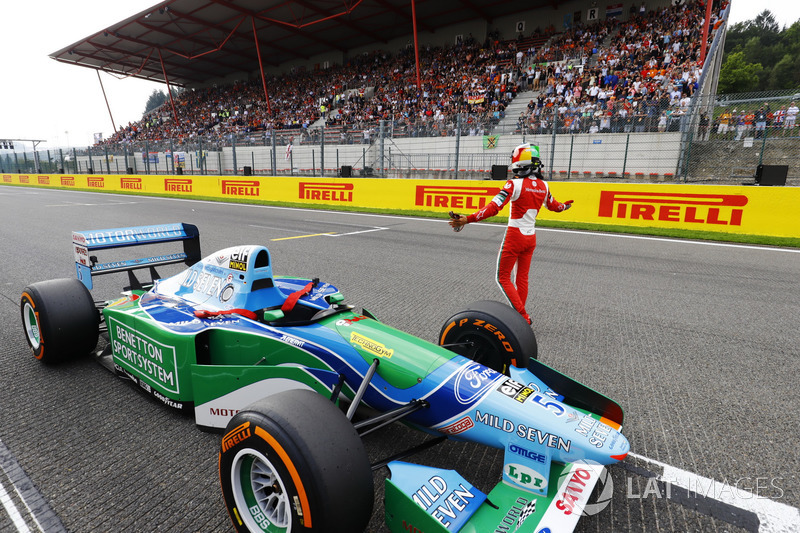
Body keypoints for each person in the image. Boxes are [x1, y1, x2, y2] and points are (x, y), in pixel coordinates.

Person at [448, 144, 573, 325]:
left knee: (502, 277)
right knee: (521, 278)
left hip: (515, 236)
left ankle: (522, 316)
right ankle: (520, 317)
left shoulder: (513, 184)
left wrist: (468, 219)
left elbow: (493, 208)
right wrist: (566, 206)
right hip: (531, 238)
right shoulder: (544, 186)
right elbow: (556, 207)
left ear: (518, 164)